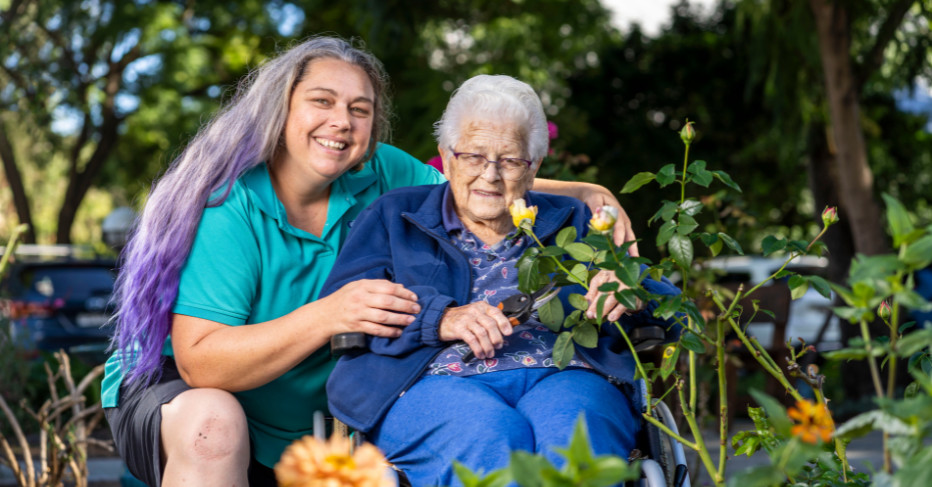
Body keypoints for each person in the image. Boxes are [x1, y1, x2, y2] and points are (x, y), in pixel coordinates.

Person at [101, 36, 641, 487]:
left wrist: (587, 194)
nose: (341, 121)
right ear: (280, 108)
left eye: (359, 109)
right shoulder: (230, 206)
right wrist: (328, 314)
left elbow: (477, 179)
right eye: (322, 101)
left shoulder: (382, 174)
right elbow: (202, 365)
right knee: (213, 426)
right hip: (192, 390)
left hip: (313, 405)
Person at [321, 74, 681, 486]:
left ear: (534, 167)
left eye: (509, 160)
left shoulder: (574, 220)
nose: (490, 175)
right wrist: (439, 319)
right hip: (430, 386)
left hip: (569, 376)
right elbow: (345, 309)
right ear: (447, 157)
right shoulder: (393, 217)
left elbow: (669, 311)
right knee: (490, 438)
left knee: (573, 438)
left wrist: (632, 291)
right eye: (473, 156)